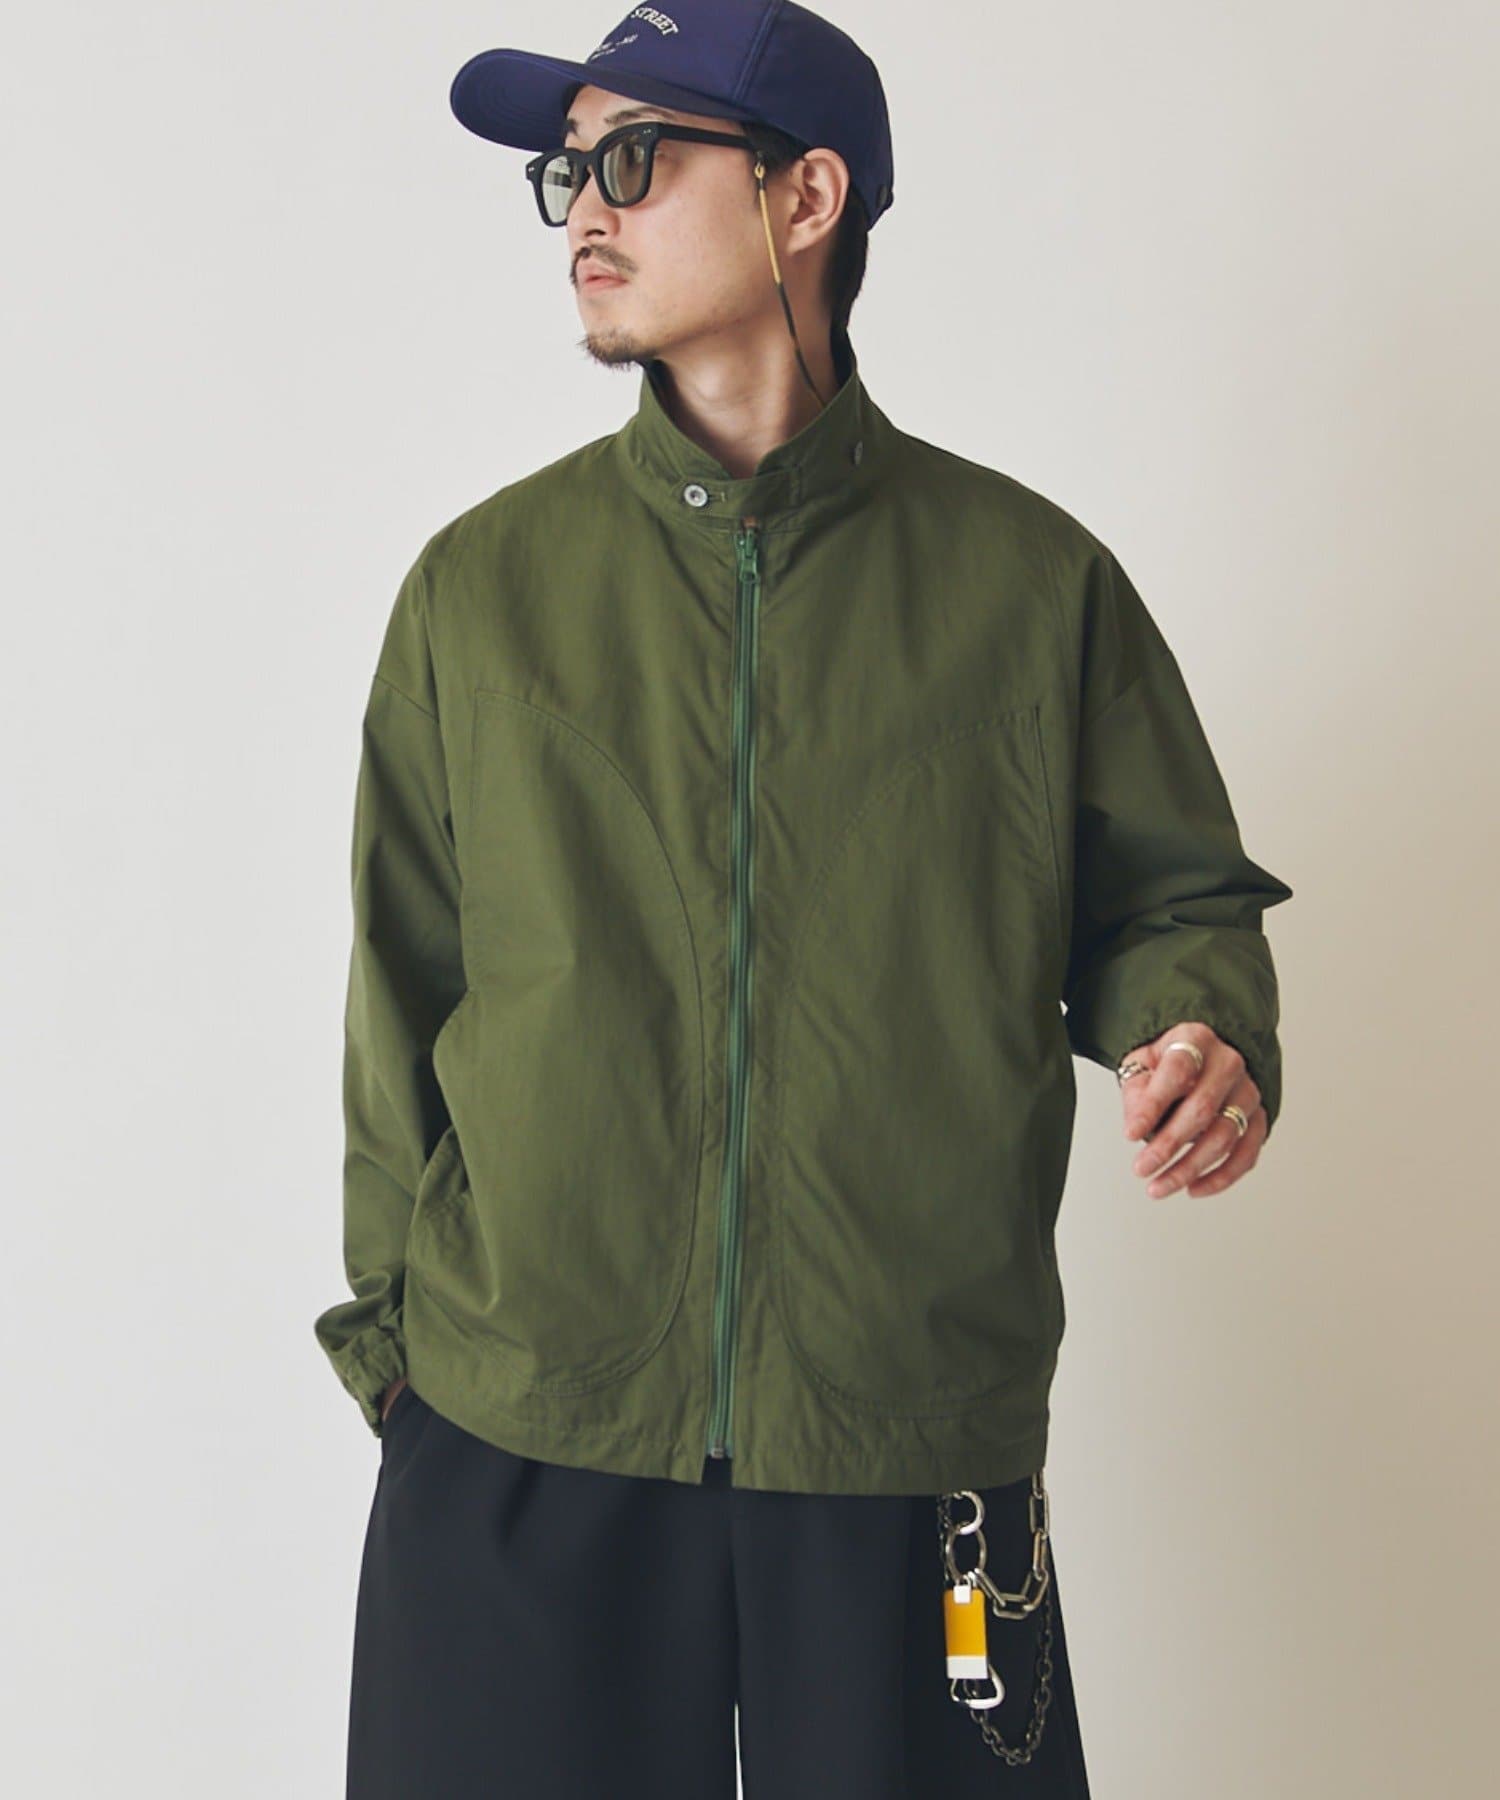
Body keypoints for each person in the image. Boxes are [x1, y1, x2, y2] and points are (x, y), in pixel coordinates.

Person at [314, 4, 1292, 1794]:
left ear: (806, 197)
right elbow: (403, 987)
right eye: (565, 174)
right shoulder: (484, 590)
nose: (583, 211)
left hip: (900, 1438)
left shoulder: (1028, 589)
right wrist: (401, 1362)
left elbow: (1173, 903)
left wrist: (1197, 1028)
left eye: (633, 161)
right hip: (525, 1423)